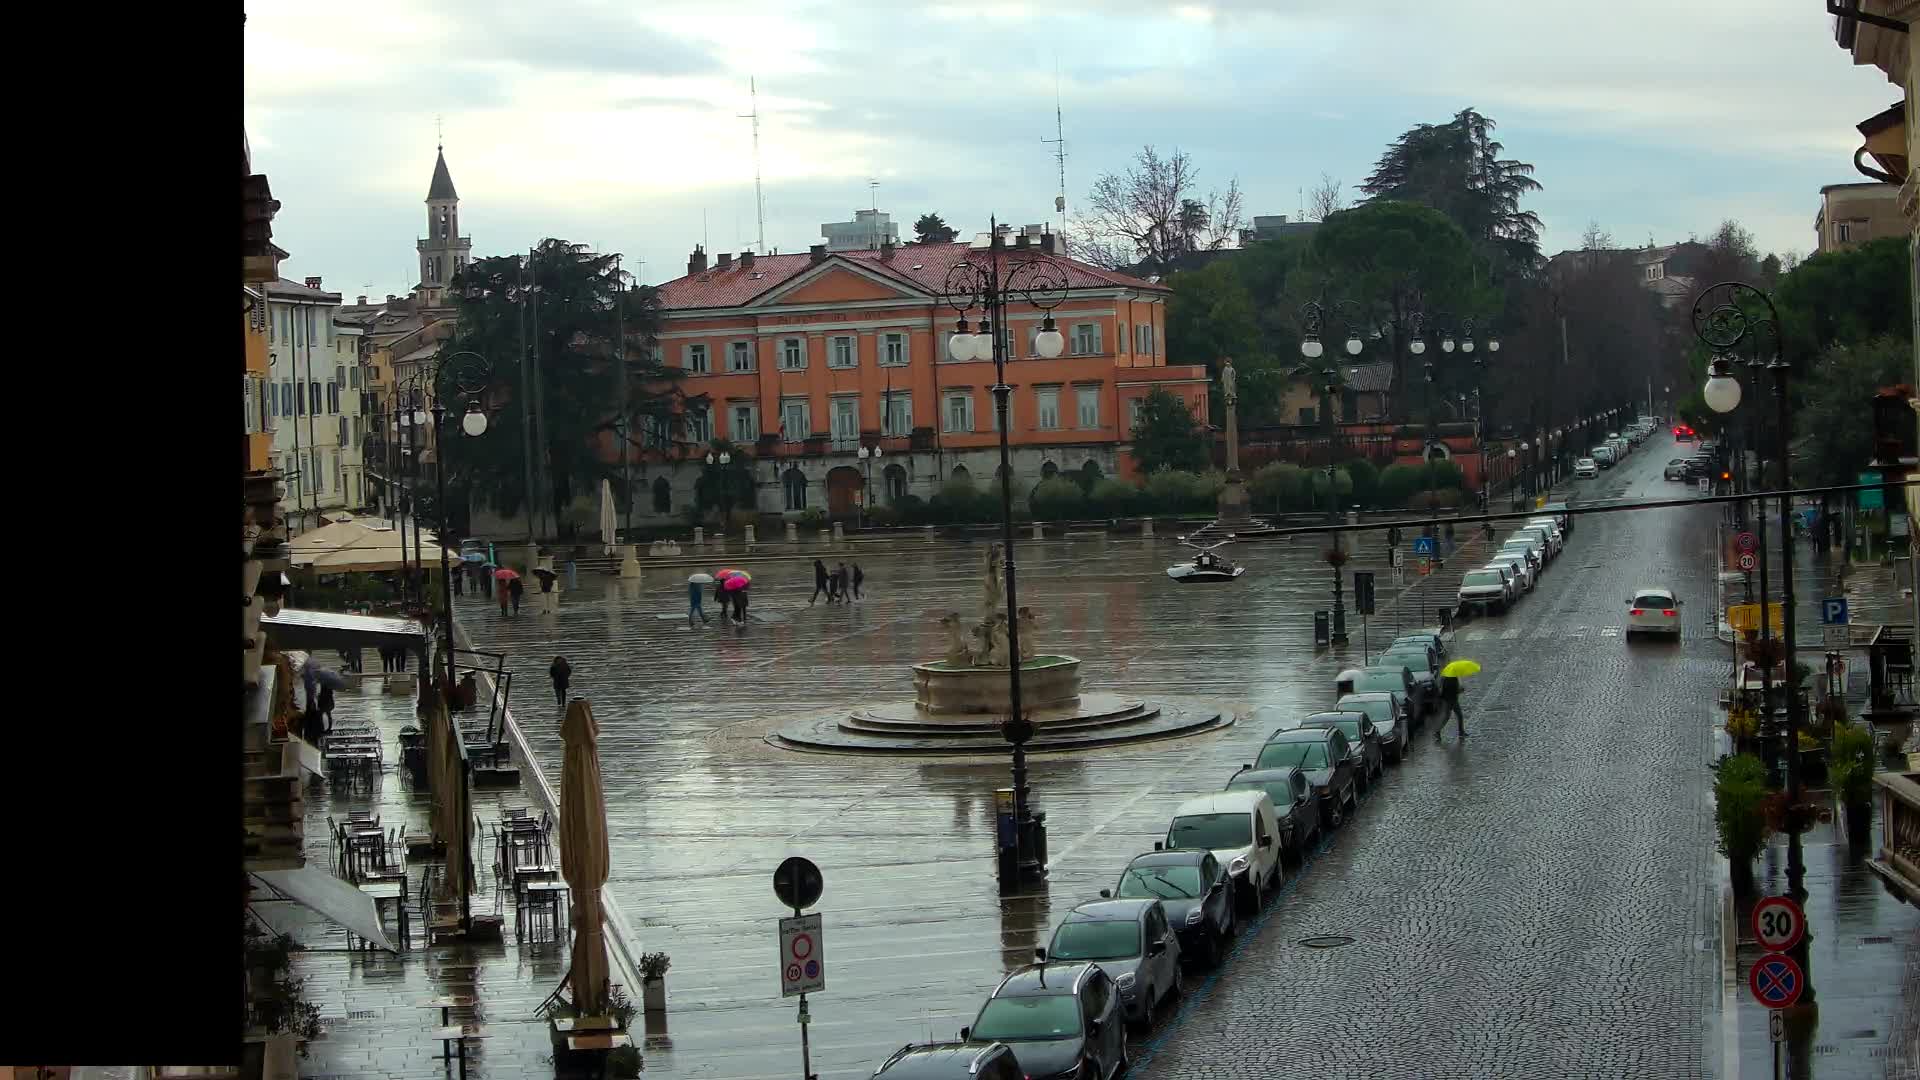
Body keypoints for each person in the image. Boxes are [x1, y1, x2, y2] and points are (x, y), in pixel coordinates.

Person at [1437, 673, 1467, 740]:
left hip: (1449, 700)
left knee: (1448, 717)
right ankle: (1437, 731)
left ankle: (1438, 731)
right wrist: (1460, 690)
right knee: (1456, 716)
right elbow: (1453, 690)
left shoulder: (1445, 679)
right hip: (1451, 701)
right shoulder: (1452, 679)